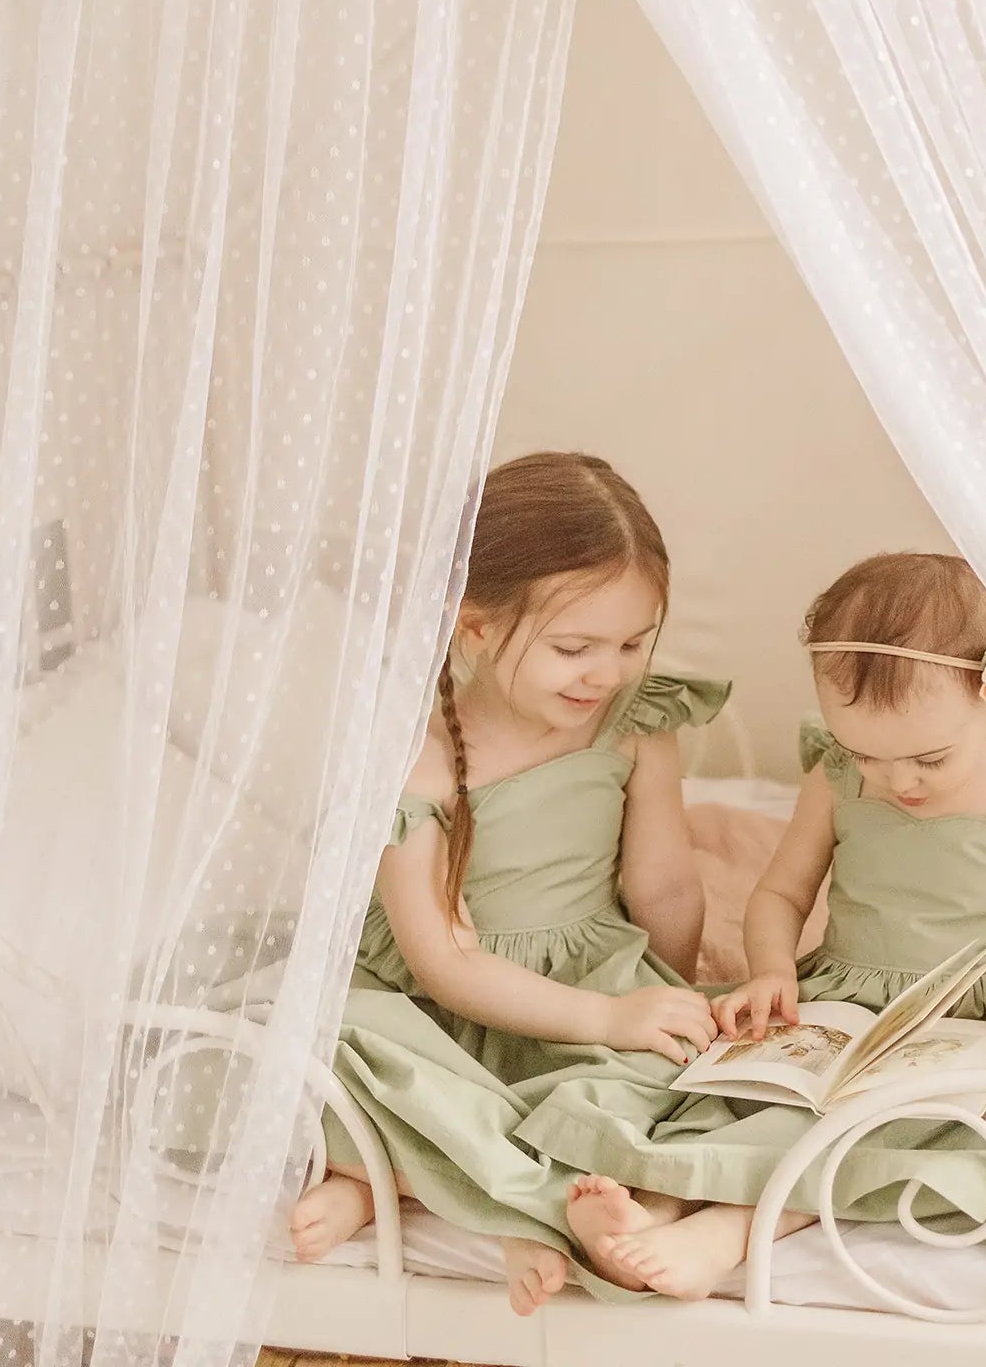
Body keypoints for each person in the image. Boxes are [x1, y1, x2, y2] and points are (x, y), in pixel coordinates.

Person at [524, 552, 986, 1299]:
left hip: (981, 1017)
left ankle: (723, 1233)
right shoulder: (837, 780)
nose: (898, 782)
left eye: (929, 758)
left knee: (888, 1130)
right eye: (870, 754)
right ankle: (651, 1205)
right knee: (735, 1092)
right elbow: (779, 897)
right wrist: (772, 970)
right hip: (844, 1003)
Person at [288, 452, 725, 1313]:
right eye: (575, 647)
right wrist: (605, 1019)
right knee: (350, 1067)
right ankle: (436, 1191)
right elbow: (443, 963)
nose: (607, 673)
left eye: (633, 643)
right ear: (475, 628)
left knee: (678, 1095)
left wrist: (659, 1004)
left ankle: (411, 1186)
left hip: (591, 977)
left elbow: (666, 888)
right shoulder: (415, 752)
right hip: (440, 1003)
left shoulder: (638, 724)